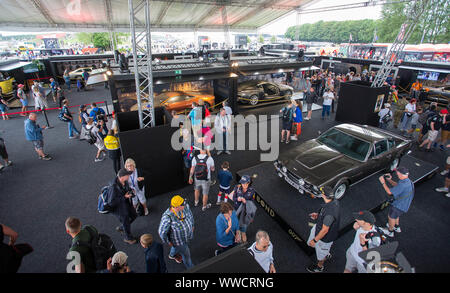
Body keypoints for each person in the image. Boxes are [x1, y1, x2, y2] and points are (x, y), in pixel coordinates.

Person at [306, 186, 340, 273]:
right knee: (313, 245)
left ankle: (319, 267)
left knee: (321, 255)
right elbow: (325, 213)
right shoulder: (333, 201)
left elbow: (325, 230)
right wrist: (318, 215)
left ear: (324, 195)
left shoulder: (329, 214)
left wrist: (315, 240)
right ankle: (326, 253)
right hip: (319, 228)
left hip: (324, 238)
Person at [158, 195, 195, 269]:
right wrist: (168, 242)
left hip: (187, 236)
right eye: (182, 204)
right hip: (178, 241)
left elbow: (190, 216)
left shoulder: (186, 207)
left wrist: (192, 226)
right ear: (176, 207)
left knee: (176, 248)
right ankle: (191, 269)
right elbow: (162, 232)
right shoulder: (167, 217)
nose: (185, 204)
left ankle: (172, 255)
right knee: (186, 255)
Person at [378, 167, 414, 237]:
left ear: (400, 174)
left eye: (397, 172)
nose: (396, 173)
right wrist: (389, 180)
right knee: (396, 216)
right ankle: (396, 227)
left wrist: (383, 182)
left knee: (391, 217)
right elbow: (398, 186)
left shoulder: (403, 184)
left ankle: (390, 231)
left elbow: (389, 192)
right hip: (405, 205)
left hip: (399, 205)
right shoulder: (407, 181)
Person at [108, 168, 138, 244]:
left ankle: (122, 227)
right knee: (126, 222)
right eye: (128, 175)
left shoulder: (125, 181)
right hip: (119, 209)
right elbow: (111, 202)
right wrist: (124, 197)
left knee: (134, 215)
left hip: (126, 204)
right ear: (122, 177)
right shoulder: (113, 187)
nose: (129, 176)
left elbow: (126, 189)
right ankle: (128, 238)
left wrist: (131, 191)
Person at [227, 175, 256, 243]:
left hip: (244, 212)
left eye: (244, 183)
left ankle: (243, 238)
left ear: (248, 183)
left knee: (243, 230)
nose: (242, 184)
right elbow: (233, 198)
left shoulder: (252, 191)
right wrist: (238, 199)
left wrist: (245, 202)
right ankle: (238, 233)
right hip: (236, 210)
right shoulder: (237, 187)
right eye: (242, 183)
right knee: (236, 227)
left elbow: (252, 204)